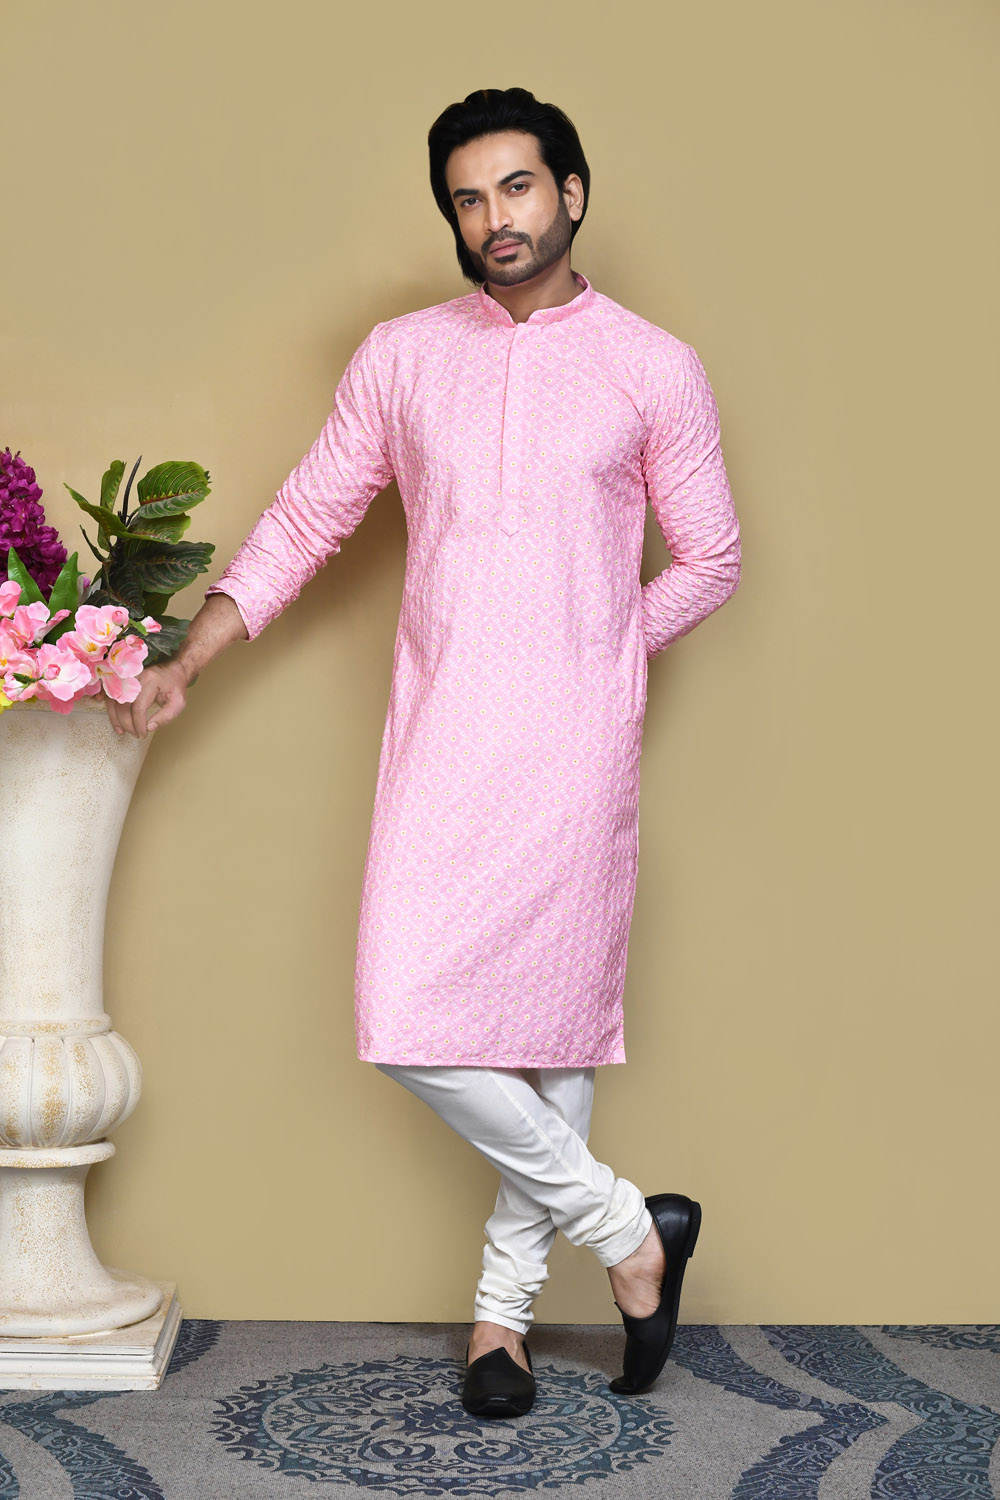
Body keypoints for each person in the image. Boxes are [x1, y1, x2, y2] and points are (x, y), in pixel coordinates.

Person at [103, 87, 741, 1420]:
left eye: (517, 186)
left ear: (571, 192)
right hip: (443, 734)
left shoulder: (652, 365)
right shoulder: (402, 358)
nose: (494, 217)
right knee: (405, 1012)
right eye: (468, 197)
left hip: (576, 744)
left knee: (553, 1036)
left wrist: (602, 649)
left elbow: (713, 556)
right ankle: (632, 1234)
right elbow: (305, 520)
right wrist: (188, 660)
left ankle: (502, 1323)